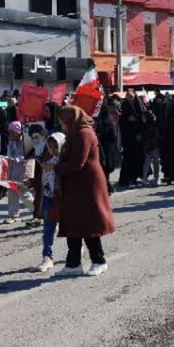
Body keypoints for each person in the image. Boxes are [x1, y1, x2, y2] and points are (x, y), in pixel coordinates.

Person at [53, 105, 116, 275]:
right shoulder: (75, 133)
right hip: (76, 185)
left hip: (87, 185)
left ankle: (99, 260)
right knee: (74, 223)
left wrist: (55, 168)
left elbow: (77, 162)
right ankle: (73, 264)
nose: (61, 125)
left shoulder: (83, 133)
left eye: (63, 121)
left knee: (89, 224)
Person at [32, 132, 65, 272]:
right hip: (48, 198)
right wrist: (31, 182)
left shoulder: (65, 163)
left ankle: (76, 249)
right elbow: (41, 178)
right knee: (48, 229)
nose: (52, 149)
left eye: (55, 146)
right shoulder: (46, 161)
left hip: (62, 199)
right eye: (50, 146)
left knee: (69, 227)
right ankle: (47, 257)